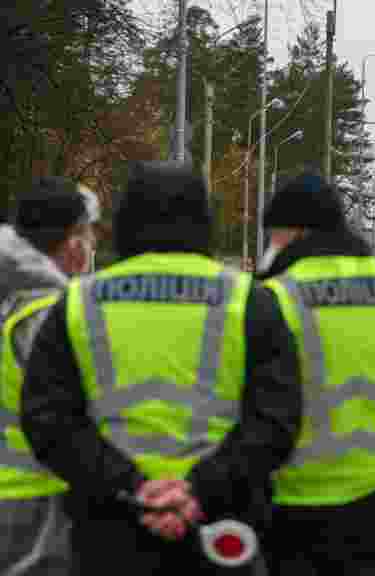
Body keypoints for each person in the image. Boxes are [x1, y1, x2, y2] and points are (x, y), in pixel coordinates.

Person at [19, 162, 303, 574]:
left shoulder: (80, 303)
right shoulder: (250, 301)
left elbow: (48, 420)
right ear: (204, 220)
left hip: (109, 531)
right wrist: (199, 491)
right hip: (221, 529)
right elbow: (278, 420)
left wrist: (133, 486)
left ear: (127, 222)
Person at [255, 171, 375, 576]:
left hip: (292, 489)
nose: (271, 244)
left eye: (274, 234)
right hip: (373, 482)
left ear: (294, 232)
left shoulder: (275, 295)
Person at [0, 178, 100, 575]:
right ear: (73, 244)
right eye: (88, 234)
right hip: (31, 498)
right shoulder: (47, 315)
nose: (91, 246)